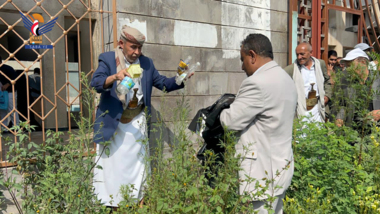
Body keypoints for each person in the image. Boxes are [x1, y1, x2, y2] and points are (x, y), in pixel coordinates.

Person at [90, 25, 190, 209]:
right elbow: (95, 83)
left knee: (137, 167)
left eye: (139, 48)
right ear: (121, 43)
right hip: (115, 123)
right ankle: (112, 205)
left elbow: (163, 84)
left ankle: (136, 202)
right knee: (112, 168)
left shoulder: (147, 63)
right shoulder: (108, 59)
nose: (137, 52)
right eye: (133, 47)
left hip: (137, 124)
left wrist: (180, 78)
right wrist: (115, 77)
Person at [220, 34, 297, 214]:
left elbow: (230, 122)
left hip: (261, 174)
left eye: (243, 59)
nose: (242, 66)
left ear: (252, 55)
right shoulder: (286, 78)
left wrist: (222, 110)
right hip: (280, 168)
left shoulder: (256, 83)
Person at [284, 43, 332, 123]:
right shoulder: (291, 69)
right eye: (297, 54)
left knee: (319, 133)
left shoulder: (320, 64)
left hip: (318, 108)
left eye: (302, 54)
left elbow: (327, 81)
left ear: (311, 52)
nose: (299, 57)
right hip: (301, 109)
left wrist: (327, 95)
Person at [335, 48, 380, 129]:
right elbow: (343, 104)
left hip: (375, 130)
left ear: (363, 62)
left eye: (350, 66)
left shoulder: (377, 79)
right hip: (353, 130)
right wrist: (340, 117)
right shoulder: (346, 81)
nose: (347, 69)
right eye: (346, 66)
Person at [0, 56, 19, 129]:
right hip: (1, 93)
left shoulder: (7, 68)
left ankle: (16, 127)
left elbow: (16, 78)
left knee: (12, 109)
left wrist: (8, 84)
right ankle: (3, 127)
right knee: (2, 109)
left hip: (10, 92)